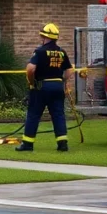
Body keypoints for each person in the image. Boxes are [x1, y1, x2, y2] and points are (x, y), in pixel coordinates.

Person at [17, 22, 72, 153]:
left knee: (33, 114)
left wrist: (31, 82)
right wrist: (62, 81)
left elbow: (31, 69)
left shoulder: (40, 51)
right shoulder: (61, 52)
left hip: (41, 87)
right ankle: (62, 144)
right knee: (58, 115)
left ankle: (28, 144)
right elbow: (70, 70)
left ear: (45, 37)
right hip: (58, 87)